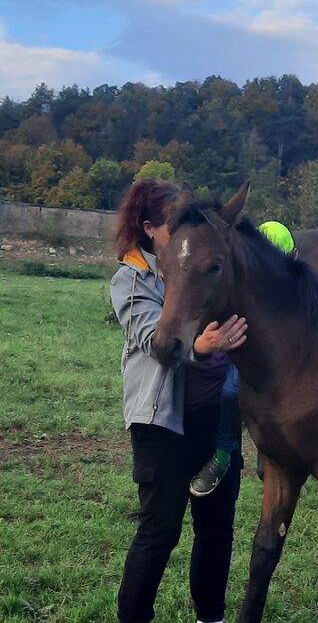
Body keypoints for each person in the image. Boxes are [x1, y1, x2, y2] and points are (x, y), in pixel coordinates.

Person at [110, 178, 247, 623]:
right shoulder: (131, 278)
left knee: (217, 530)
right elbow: (155, 340)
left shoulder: (192, 262)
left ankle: (211, 614)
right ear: (150, 228)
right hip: (161, 421)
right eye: (172, 221)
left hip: (213, 419)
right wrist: (202, 348)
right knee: (159, 531)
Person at [189, 220, 296, 496]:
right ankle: (223, 456)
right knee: (230, 392)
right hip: (244, 351)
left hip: (285, 359)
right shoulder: (243, 281)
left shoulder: (293, 286)